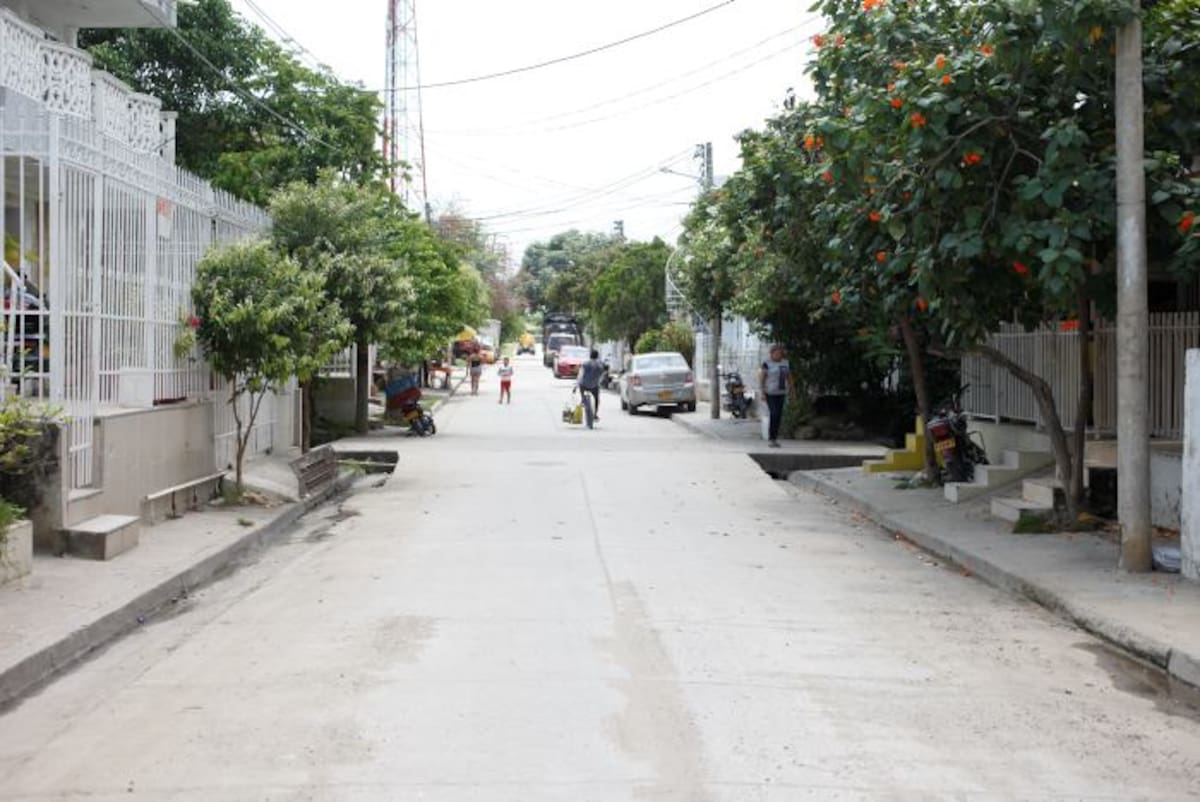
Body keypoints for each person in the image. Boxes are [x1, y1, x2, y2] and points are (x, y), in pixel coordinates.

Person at [759, 344, 790, 448]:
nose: (778, 355)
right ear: (771, 354)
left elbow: (789, 377)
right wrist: (762, 392)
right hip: (770, 393)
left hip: (781, 392)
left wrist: (792, 390)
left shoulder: (785, 363)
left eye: (780, 353)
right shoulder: (766, 363)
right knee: (774, 413)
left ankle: (775, 438)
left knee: (779, 415)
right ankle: (772, 438)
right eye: (776, 353)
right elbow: (762, 378)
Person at [576, 348, 605, 429]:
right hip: (594, 386)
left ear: (590, 356)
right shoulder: (600, 365)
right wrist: (599, 383)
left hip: (584, 385)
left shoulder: (585, 364)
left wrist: (576, 385)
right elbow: (602, 376)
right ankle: (595, 413)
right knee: (596, 399)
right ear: (597, 356)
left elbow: (580, 375)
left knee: (581, 388)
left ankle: (583, 400)